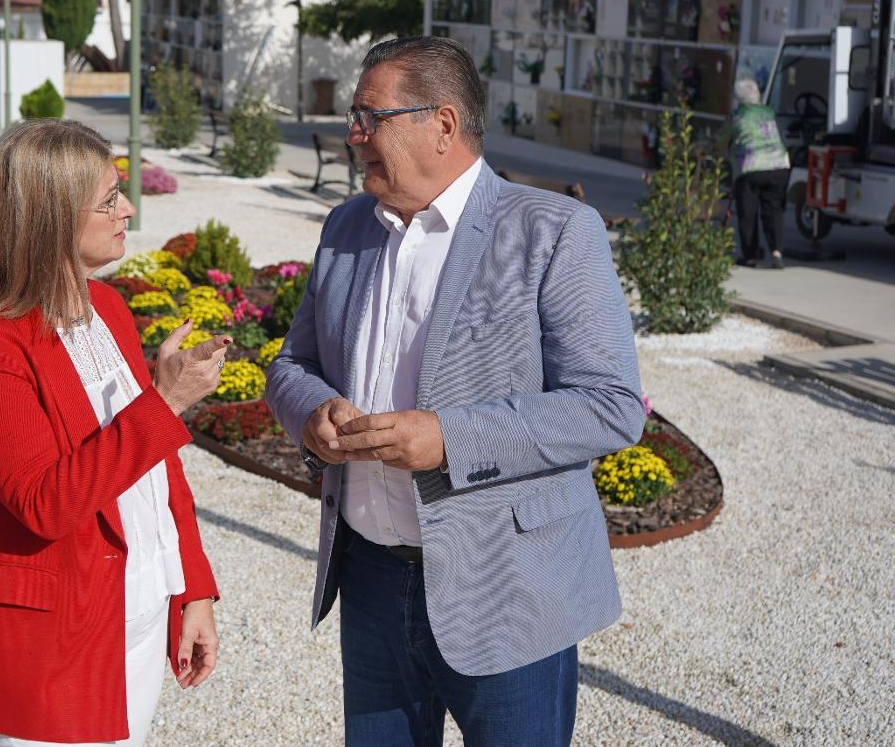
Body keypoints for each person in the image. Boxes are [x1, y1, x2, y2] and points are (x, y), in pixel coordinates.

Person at [264, 37, 645, 746]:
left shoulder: (554, 232)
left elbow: (610, 405)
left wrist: (449, 439)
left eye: (368, 116)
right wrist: (309, 411)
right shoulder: (348, 226)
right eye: (354, 116)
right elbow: (292, 363)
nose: (353, 135)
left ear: (442, 124)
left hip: (506, 582)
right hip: (372, 576)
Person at [0, 119, 227, 746]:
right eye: (108, 199)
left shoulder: (109, 311)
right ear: (50, 220)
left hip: (139, 615)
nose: (127, 209)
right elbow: (45, 503)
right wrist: (165, 400)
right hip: (50, 638)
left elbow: (157, 468)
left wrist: (193, 590)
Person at [726, 76, 791, 268]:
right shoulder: (769, 111)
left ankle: (750, 256)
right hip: (779, 164)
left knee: (748, 212)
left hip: (753, 167)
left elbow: (722, 141)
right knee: (774, 209)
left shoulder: (737, 116)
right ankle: (776, 253)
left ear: (738, 99)